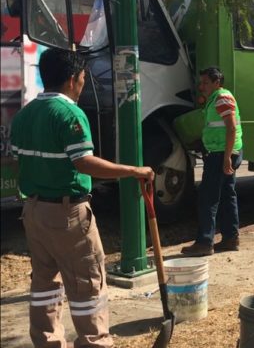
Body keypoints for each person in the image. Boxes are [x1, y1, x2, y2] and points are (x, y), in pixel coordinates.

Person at [10, 48, 154, 347]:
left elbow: (17, 159)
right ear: (73, 79)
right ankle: (94, 341)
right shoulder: (70, 114)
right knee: (87, 285)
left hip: (34, 211)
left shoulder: (24, 115)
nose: (83, 84)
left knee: (44, 283)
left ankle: (48, 341)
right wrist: (133, 170)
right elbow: (83, 162)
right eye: (84, 78)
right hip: (67, 214)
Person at [182, 67, 244, 256]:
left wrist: (226, 158)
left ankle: (204, 242)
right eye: (201, 83)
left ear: (217, 82)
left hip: (220, 154)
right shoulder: (216, 98)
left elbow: (231, 128)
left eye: (205, 83)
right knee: (227, 195)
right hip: (223, 152)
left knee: (208, 198)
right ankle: (230, 238)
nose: (202, 87)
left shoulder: (222, 98)